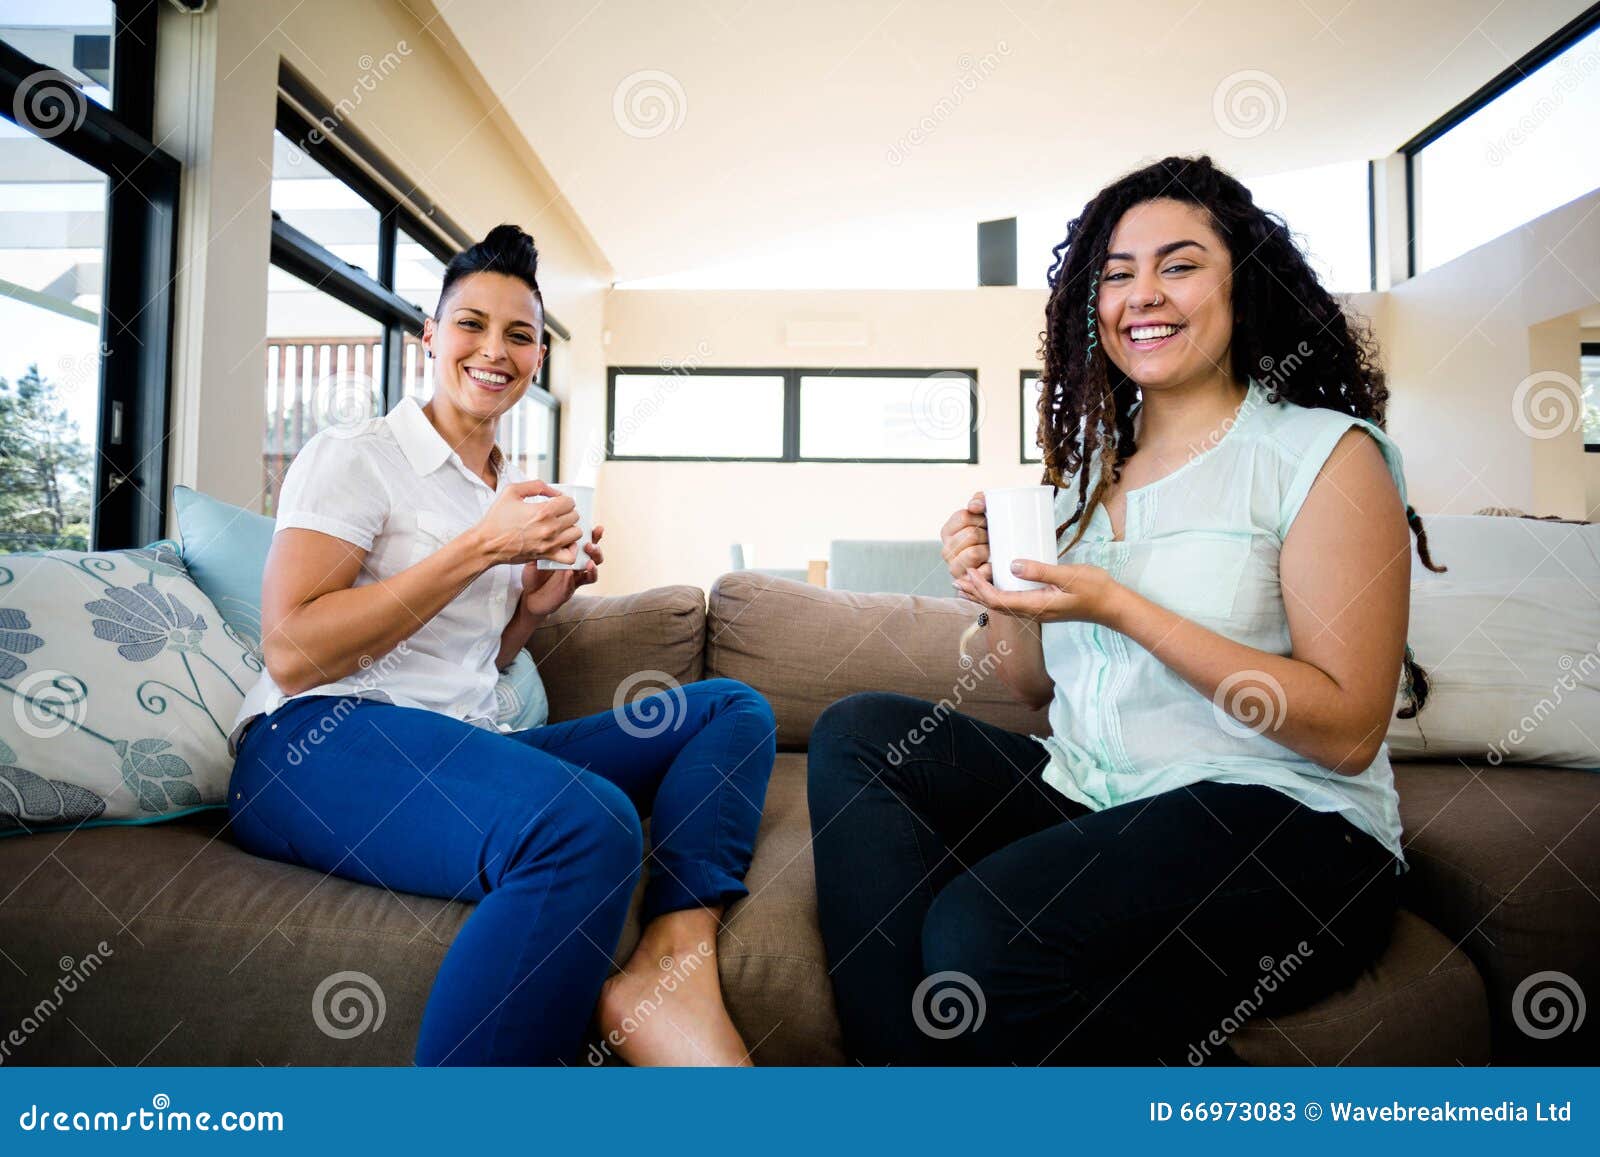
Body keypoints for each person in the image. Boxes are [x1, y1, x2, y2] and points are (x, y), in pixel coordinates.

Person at [807, 156, 1446, 1065]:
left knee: (982, 930)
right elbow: (1030, 690)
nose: (1142, 294)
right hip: (1098, 795)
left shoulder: (1320, 455)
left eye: (1178, 265)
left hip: (1290, 823)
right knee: (857, 732)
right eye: (1115, 274)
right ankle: (904, 1097)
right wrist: (1000, 595)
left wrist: (1119, 604)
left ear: (1244, 283)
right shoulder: (1083, 481)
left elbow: (1346, 729)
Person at [228, 224, 775, 1067]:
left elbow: (459, 665)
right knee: (589, 824)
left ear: (537, 361)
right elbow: (293, 650)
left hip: (457, 740)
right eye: (471, 325)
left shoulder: (501, 488)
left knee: (729, 710)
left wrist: (530, 609)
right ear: (430, 337)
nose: (495, 349)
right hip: (315, 744)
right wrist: (480, 549)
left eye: (519, 335)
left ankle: (673, 954)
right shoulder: (357, 457)